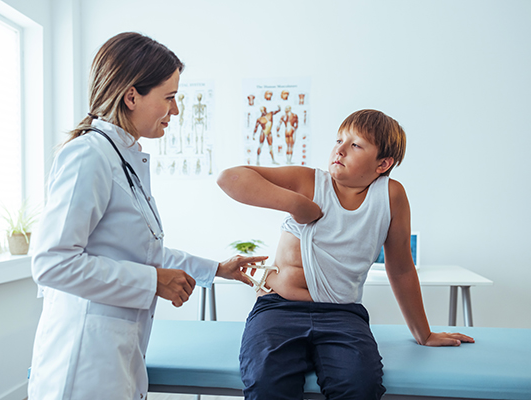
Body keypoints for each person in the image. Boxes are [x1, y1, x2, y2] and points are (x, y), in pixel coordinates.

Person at [28, 32, 265, 400]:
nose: (175, 110)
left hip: (115, 352)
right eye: (169, 97)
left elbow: (140, 253)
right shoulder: (89, 156)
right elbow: (51, 263)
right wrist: (152, 281)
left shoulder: (121, 157)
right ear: (131, 96)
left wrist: (218, 269)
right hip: (83, 360)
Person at [217, 109, 474, 400]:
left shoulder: (391, 197)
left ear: (383, 163)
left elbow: (401, 268)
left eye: (355, 145)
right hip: (279, 309)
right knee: (266, 383)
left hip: (341, 314)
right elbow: (230, 178)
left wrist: (424, 334)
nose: (339, 149)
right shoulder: (309, 182)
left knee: (361, 386)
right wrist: (298, 204)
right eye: (339, 140)